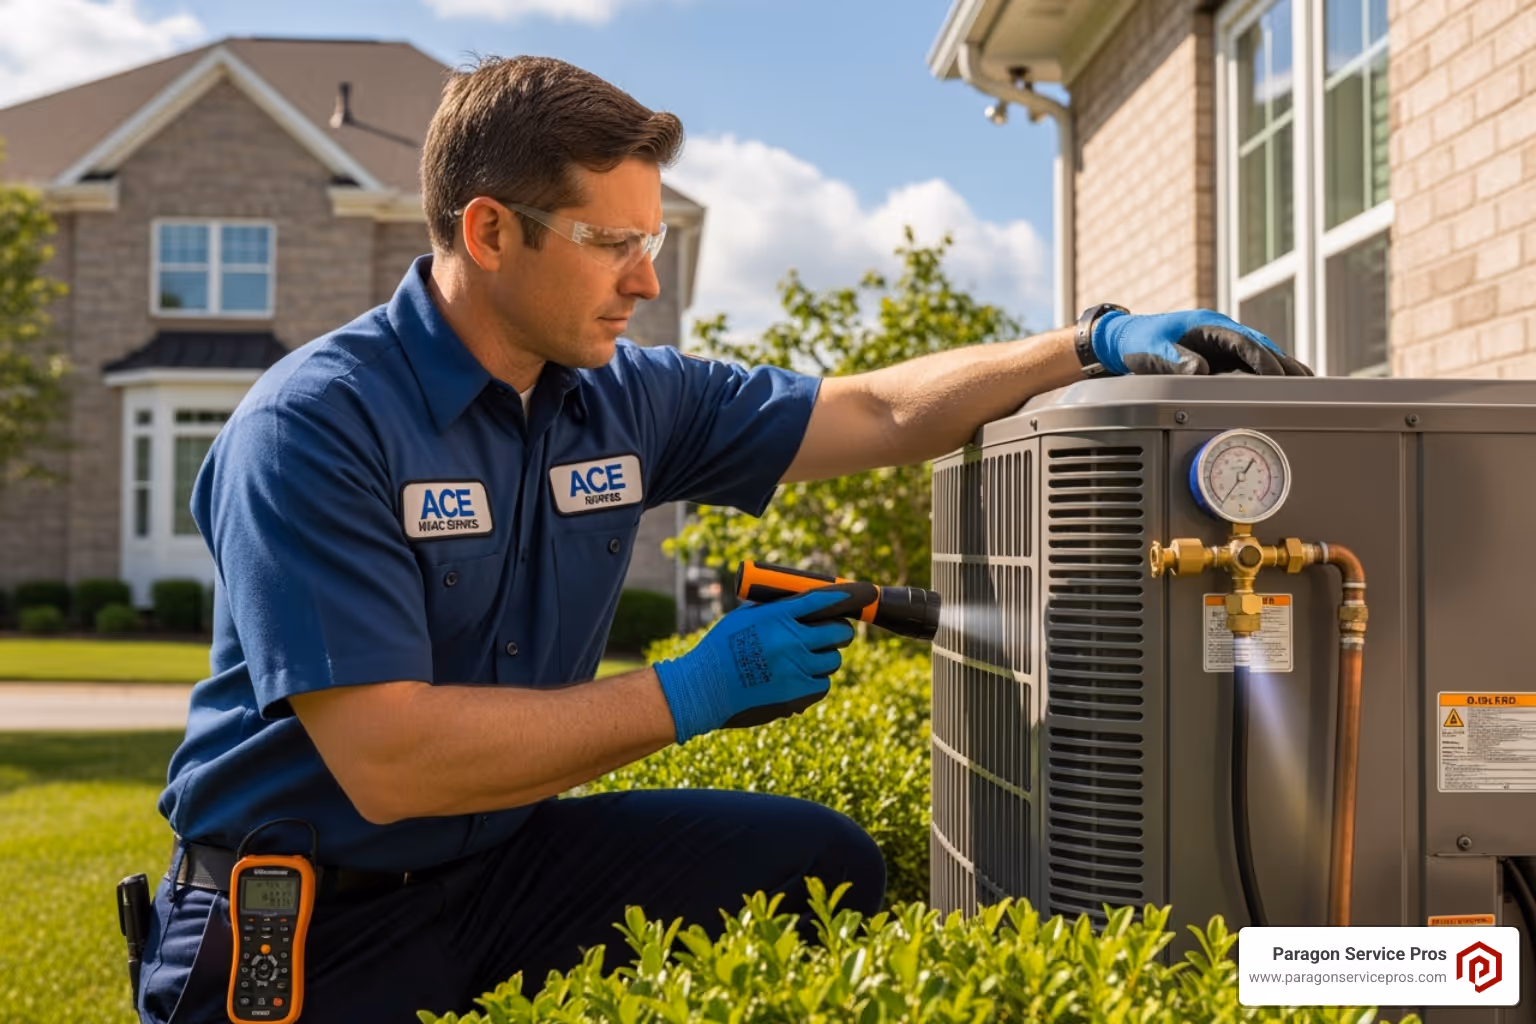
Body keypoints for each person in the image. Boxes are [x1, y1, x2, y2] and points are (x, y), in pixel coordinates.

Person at [133, 54, 1309, 1024]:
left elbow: (874, 408)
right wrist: (695, 689)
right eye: (612, 243)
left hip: (499, 868)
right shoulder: (316, 427)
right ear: (490, 231)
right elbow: (392, 761)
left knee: (821, 865)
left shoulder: (622, 395)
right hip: (300, 920)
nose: (646, 278)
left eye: (653, 239)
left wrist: (1088, 342)